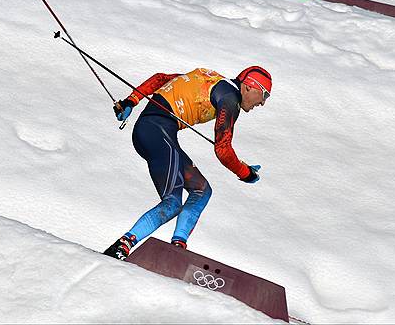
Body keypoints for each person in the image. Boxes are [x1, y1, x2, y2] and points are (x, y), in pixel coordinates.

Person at [103, 66, 272, 260]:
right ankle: (121, 247)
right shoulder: (230, 99)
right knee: (172, 203)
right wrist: (245, 173)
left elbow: (161, 79)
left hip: (153, 132)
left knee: (202, 190)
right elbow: (222, 150)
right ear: (250, 86)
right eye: (265, 95)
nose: (263, 103)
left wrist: (131, 101)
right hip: (157, 132)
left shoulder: (214, 80)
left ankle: (177, 250)